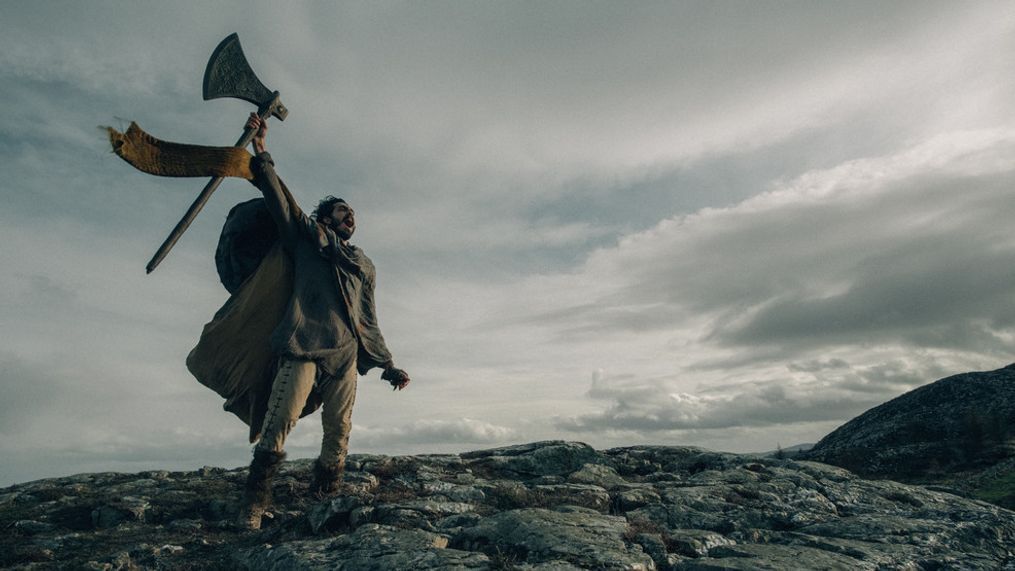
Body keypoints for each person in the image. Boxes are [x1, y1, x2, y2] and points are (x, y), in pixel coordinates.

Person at [238, 113, 410, 530]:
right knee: (279, 421)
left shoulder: (362, 263)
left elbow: (367, 316)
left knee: (339, 431)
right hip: (302, 344)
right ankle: (253, 506)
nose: (349, 216)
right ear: (326, 217)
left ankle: (324, 499)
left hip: (345, 356)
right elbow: (281, 200)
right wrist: (262, 151)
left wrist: (387, 364)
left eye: (352, 212)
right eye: (341, 211)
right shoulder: (306, 239)